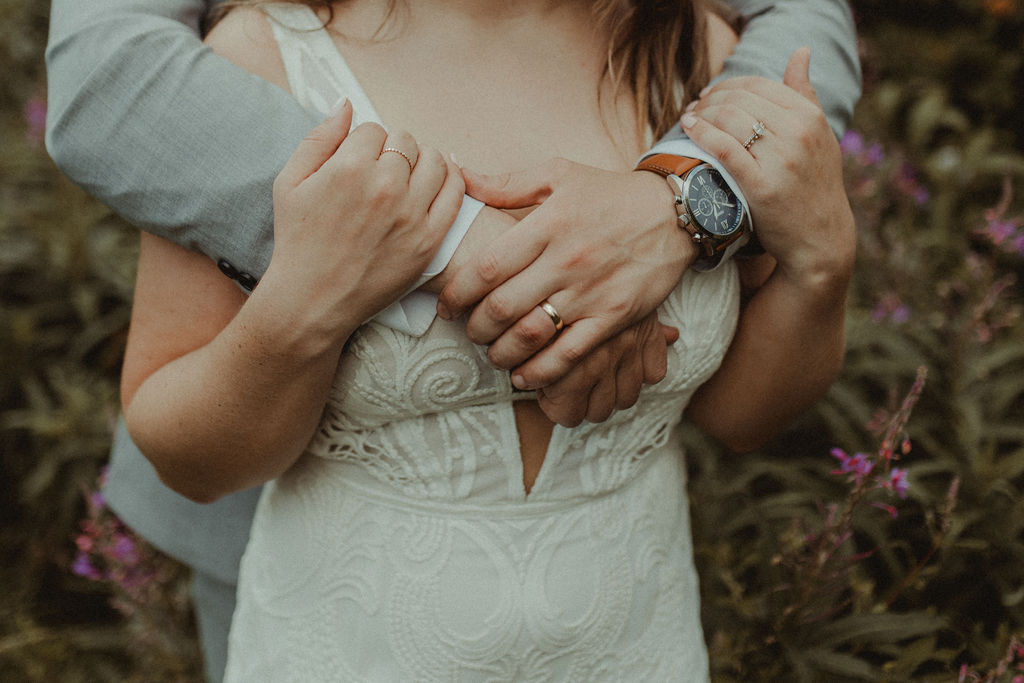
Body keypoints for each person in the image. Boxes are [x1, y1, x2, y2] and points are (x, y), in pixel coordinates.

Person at [44, 0, 860, 679]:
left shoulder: (699, 58)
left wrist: (823, 267)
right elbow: (189, 458)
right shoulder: (262, 62)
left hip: (637, 645)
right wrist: (303, 307)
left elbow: (740, 416)